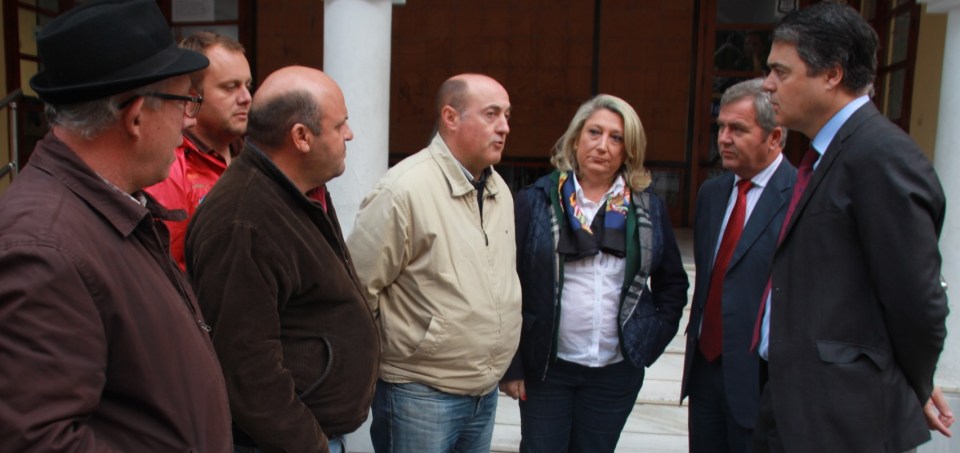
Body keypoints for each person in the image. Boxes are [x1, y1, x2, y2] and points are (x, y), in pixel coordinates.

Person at [0, 1, 231, 451]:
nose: (190, 120)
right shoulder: (44, 249)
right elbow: (38, 441)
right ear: (137, 115)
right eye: (187, 100)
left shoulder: (103, 206)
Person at [755, 2, 949, 451]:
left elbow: (918, 303)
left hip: (843, 423)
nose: (767, 85)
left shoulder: (880, 156)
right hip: (793, 406)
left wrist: (913, 383)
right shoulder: (829, 153)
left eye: (780, 72)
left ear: (832, 74)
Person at [185, 66, 379, 453]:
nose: (350, 134)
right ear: (301, 137)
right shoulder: (243, 220)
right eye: (340, 125)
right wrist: (310, 445)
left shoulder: (300, 190)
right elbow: (246, 369)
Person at [499, 94, 689, 453]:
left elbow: (672, 285)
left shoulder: (647, 207)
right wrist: (513, 365)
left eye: (616, 138)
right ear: (575, 140)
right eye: (594, 133)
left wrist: (648, 339)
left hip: (614, 373)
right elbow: (509, 283)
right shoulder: (535, 200)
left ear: (628, 150)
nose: (603, 146)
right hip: (547, 371)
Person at [347, 73, 521, 453]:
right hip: (419, 396)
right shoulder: (403, 190)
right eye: (491, 114)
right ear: (450, 117)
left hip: (483, 390)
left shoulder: (499, 190)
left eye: (507, 115)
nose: (504, 127)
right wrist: (408, 348)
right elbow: (358, 289)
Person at [680, 78, 795, 453]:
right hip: (705, 372)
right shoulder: (712, 194)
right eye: (721, 128)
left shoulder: (801, 197)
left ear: (775, 137)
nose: (724, 139)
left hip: (761, 381)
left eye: (738, 129)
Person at [146, 31, 252, 271]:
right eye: (230, 87)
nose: (246, 98)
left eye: (247, 85)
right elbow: (165, 270)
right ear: (193, 97)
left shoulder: (254, 159)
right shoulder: (171, 166)